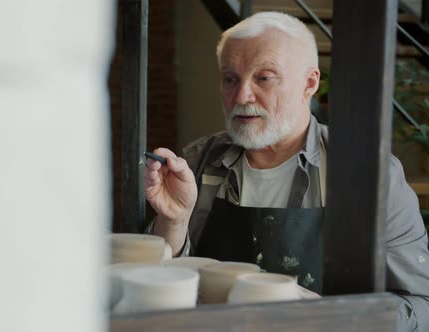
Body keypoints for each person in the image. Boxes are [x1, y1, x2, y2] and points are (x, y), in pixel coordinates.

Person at [143, 12, 429, 331]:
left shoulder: (369, 174)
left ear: (309, 83)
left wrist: (332, 317)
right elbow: (154, 289)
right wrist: (174, 220)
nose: (241, 96)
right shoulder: (198, 163)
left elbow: (420, 305)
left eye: (264, 78)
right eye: (230, 78)